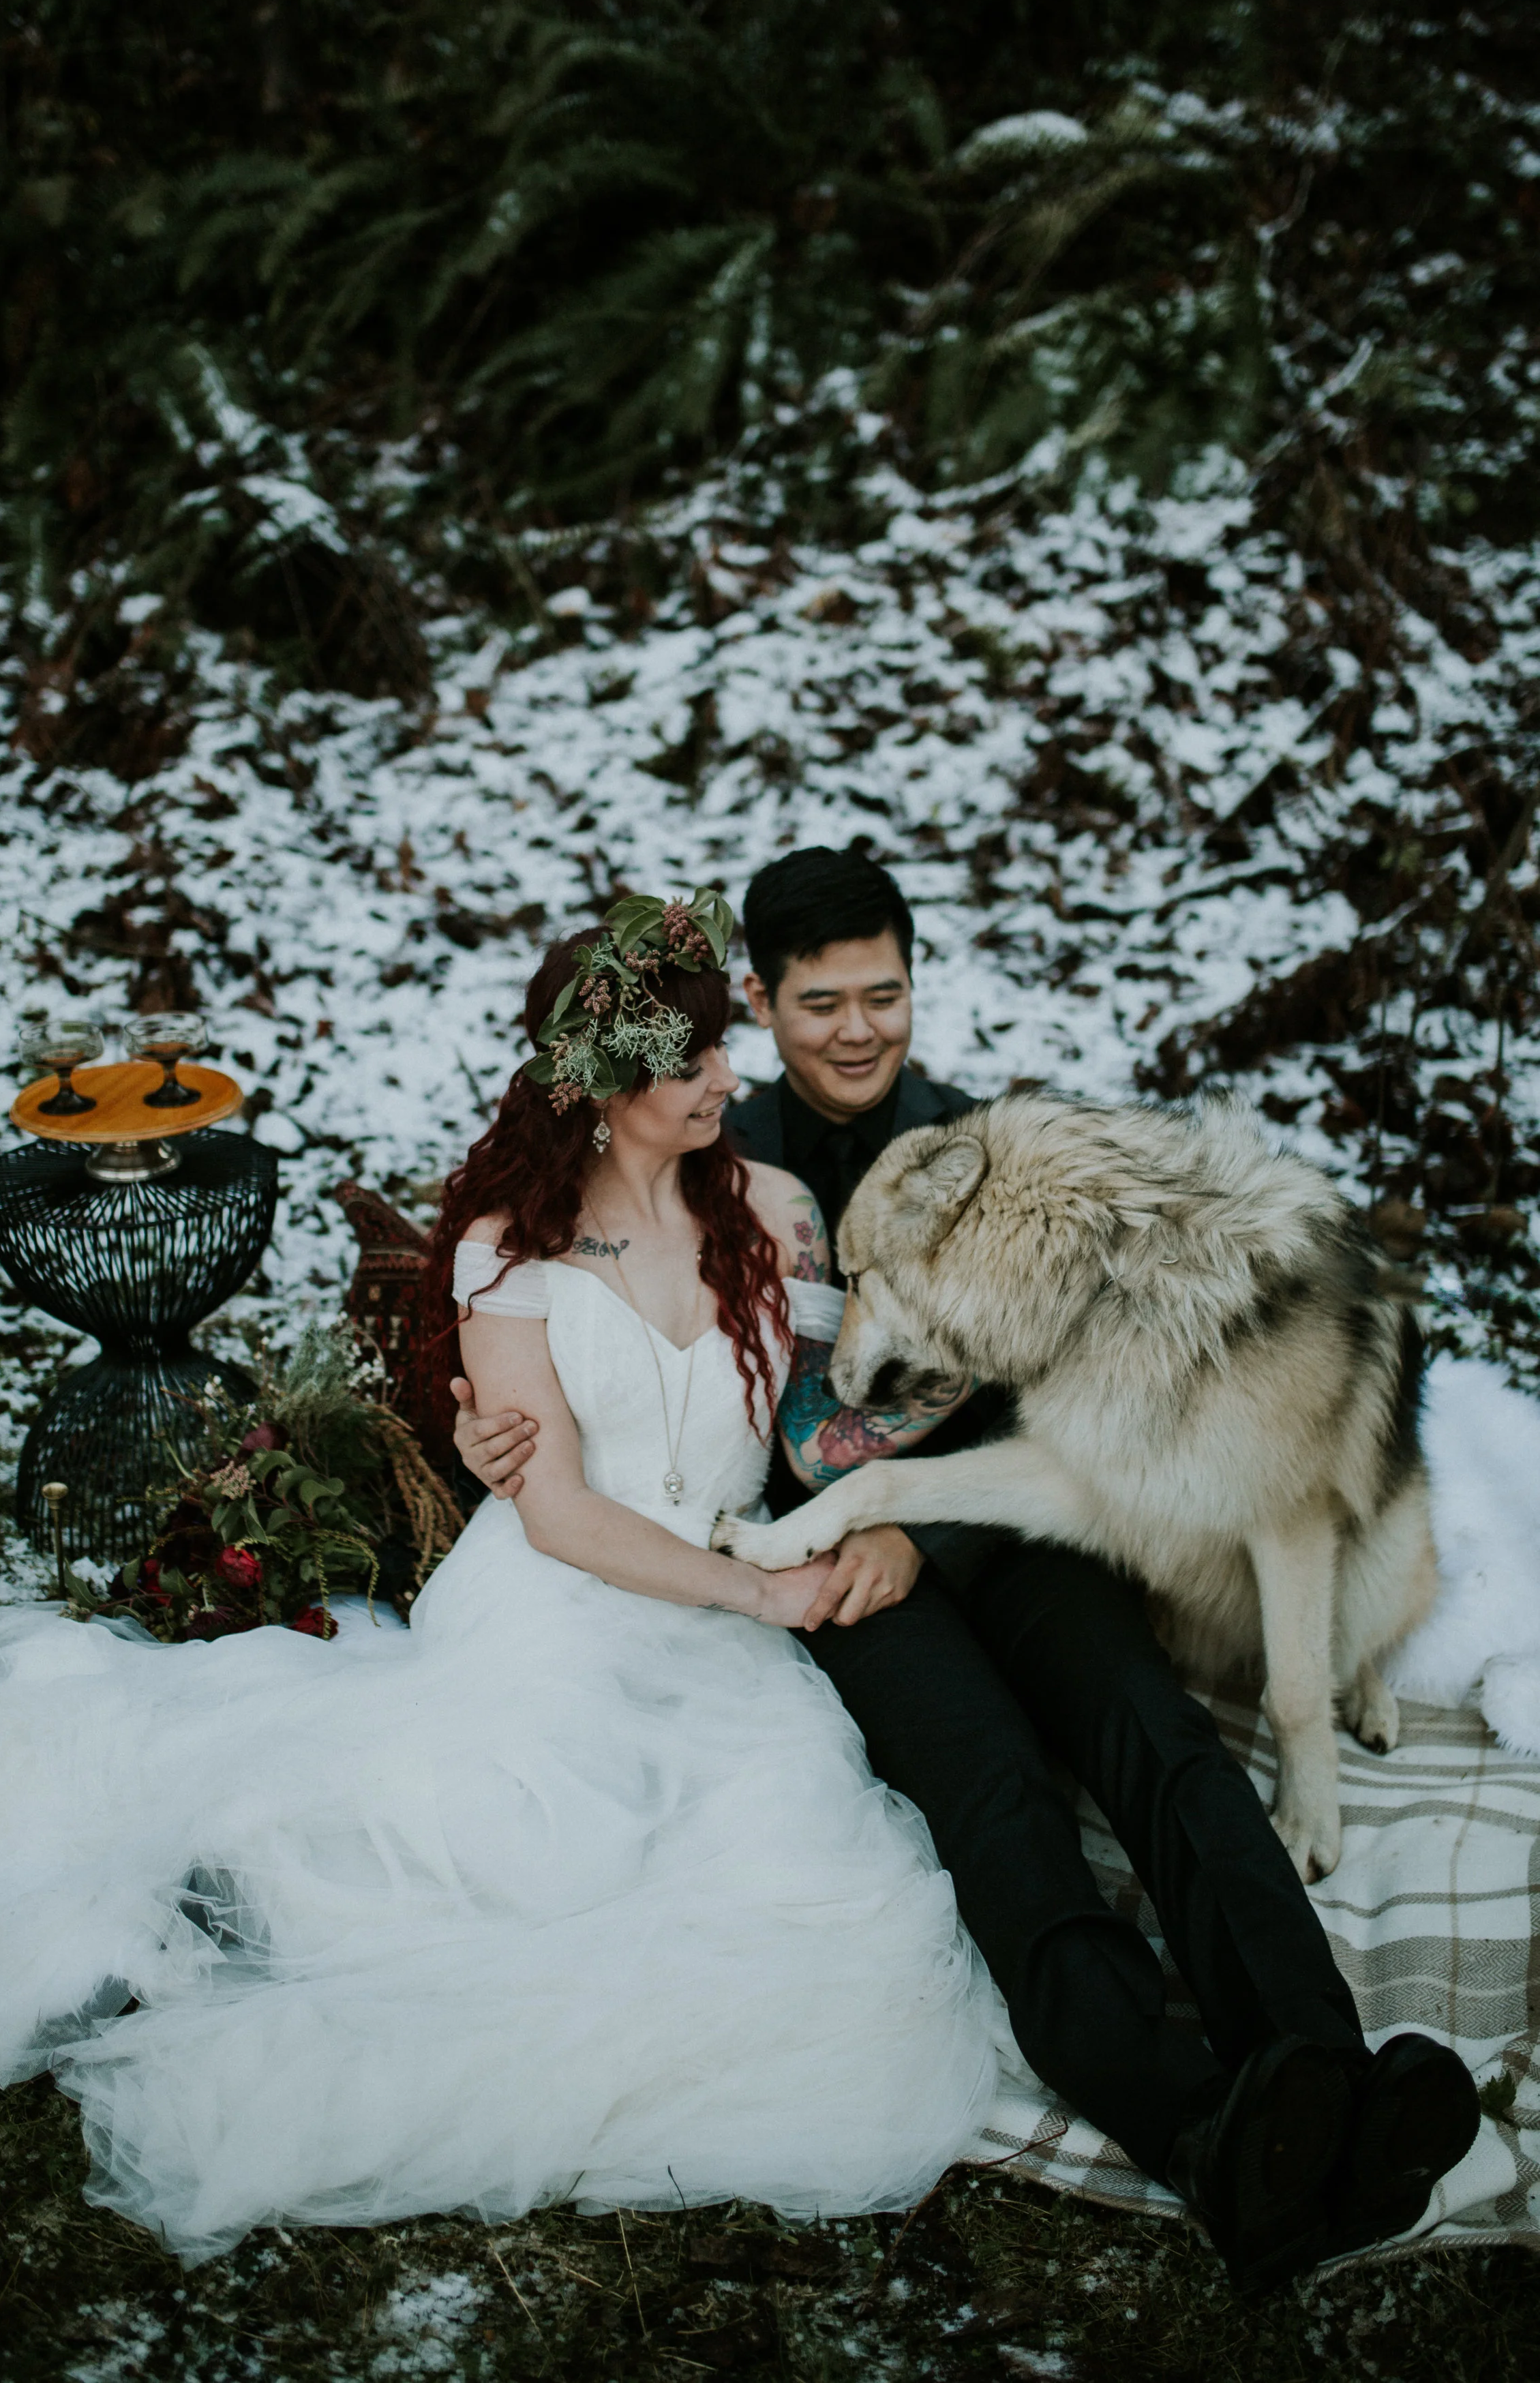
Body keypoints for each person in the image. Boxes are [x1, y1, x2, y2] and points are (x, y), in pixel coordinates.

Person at [0, 888, 1011, 2263]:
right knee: (502, 1843)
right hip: (567, 1605)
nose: (723, 1077)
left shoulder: (777, 1209)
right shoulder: (510, 1248)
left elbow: (822, 1424)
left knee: (796, 1888)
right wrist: (761, 1593)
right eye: (690, 1058)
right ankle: (204, 1913)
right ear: (603, 1081)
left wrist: (980, 1383)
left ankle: (241, 1905)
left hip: (726, 1636)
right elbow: (560, 1510)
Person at [455, 849, 1481, 2293]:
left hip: (1016, 1520)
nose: (857, 1029)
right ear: (763, 1001)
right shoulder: (715, 1143)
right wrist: (479, 1423)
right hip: (845, 1576)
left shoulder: (979, 1143)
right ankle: (1198, 2132)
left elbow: (1093, 1366)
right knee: (997, 1803)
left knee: (1152, 1740)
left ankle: (1322, 2069)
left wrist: (913, 1520)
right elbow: (643, 1367)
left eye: (884, 993)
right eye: (819, 1003)